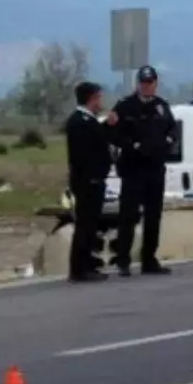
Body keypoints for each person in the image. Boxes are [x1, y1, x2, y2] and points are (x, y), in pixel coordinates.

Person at [111, 65, 177, 277]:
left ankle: (149, 259)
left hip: (155, 168)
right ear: (138, 83)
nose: (147, 86)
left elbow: (173, 131)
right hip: (133, 168)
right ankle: (123, 260)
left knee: (153, 216)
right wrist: (133, 146)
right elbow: (113, 134)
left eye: (150, 83)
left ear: (156, 84)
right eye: (143, 83)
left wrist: (167, 143)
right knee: (128, 216)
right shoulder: (125, 106)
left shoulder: (162, 107)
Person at [64, 82, 119, 283]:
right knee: (85, 225)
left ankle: (87, 264)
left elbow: (98, 137)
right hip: (87, 181)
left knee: (91, 225)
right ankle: (79, 269)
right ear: (91, 98)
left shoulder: (88, 121)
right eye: (98, 98)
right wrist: (93, 176)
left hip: (94, 180)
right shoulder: (79, 122)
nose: (100, 102)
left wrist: (108, 126)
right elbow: (84, 154)